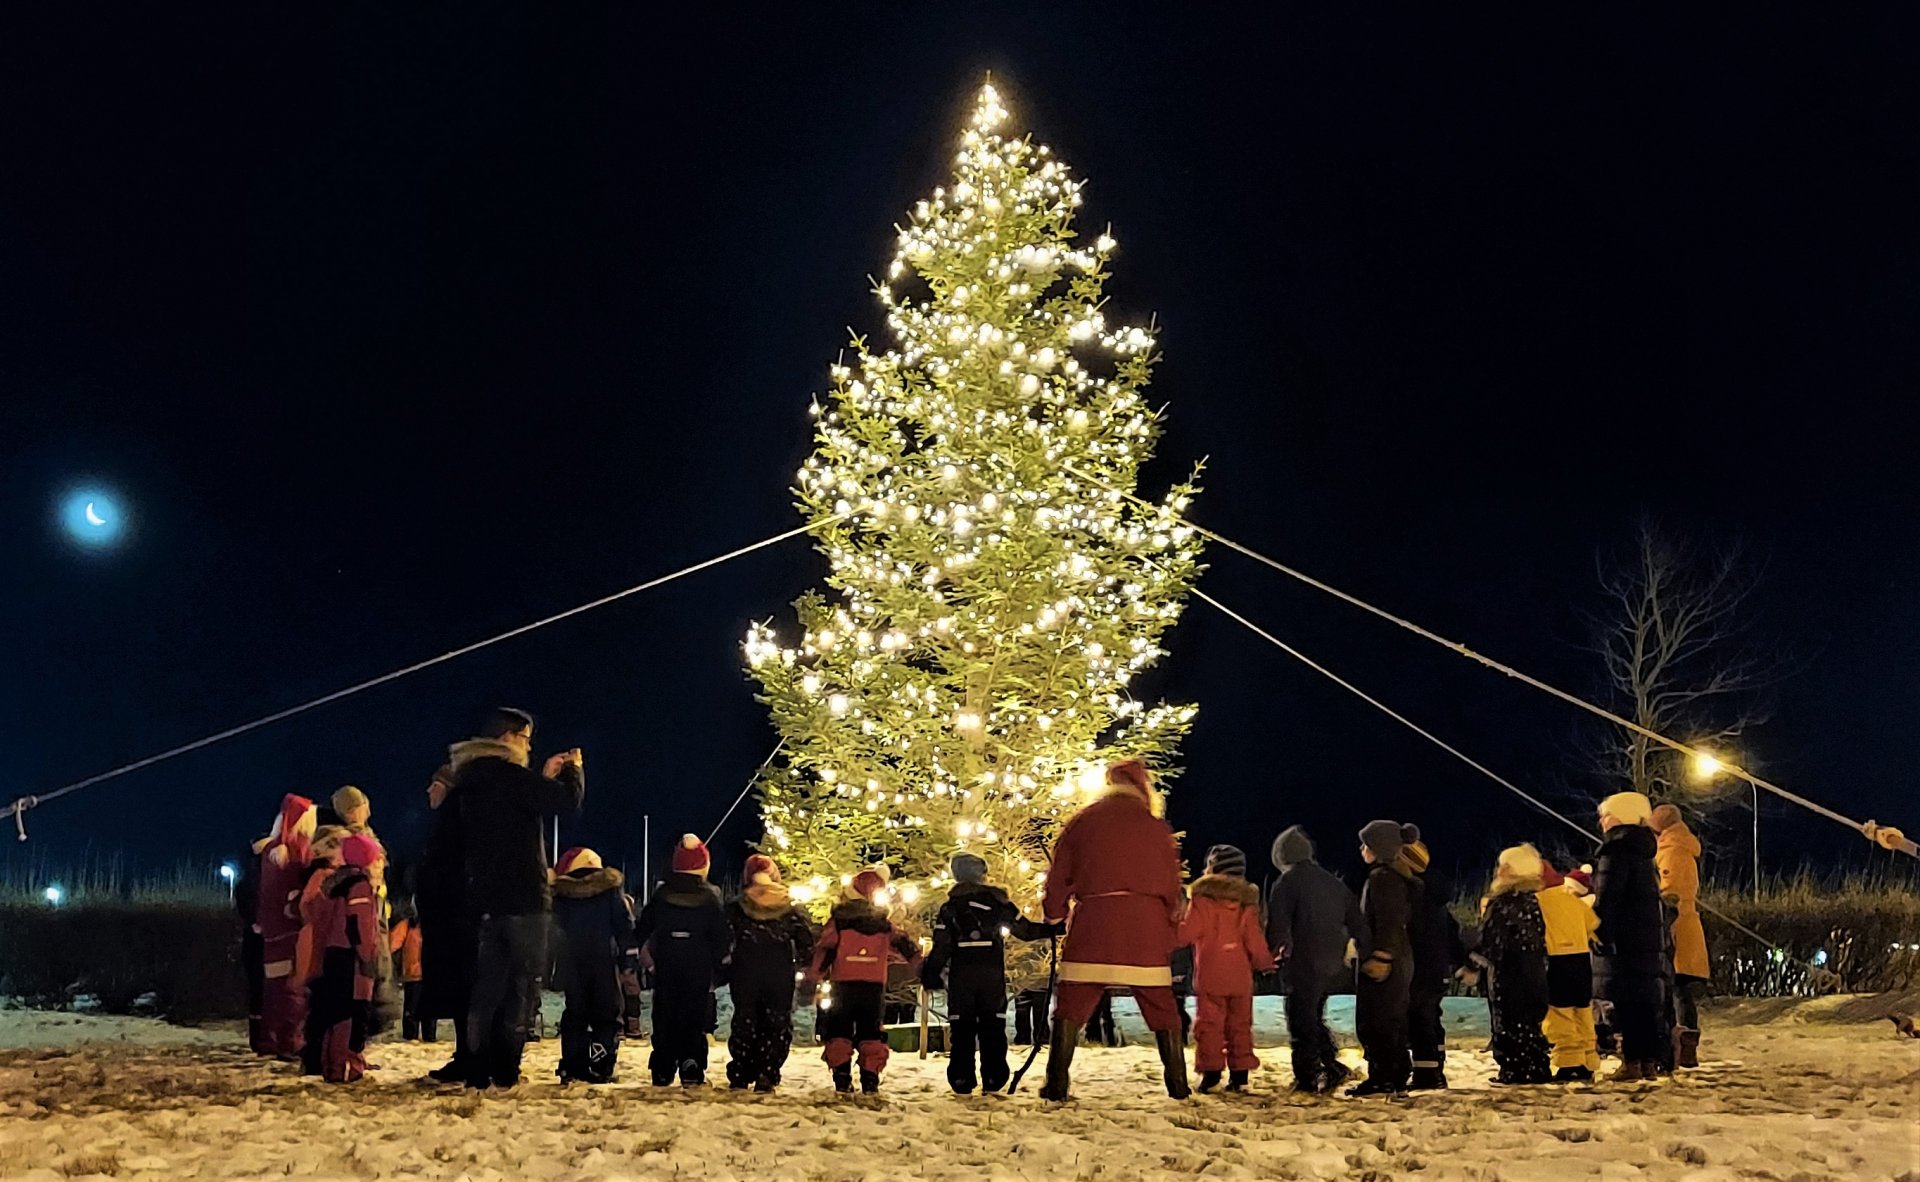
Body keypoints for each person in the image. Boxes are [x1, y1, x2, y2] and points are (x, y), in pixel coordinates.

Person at [1039, 760, 1189, 1102]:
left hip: (1095, 920)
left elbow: (1059, 873)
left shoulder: (1082, 822)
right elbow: (1170, 884)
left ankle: (1057, 1083)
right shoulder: (1154, 828)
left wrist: (1054, 914)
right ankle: (1178, 1085)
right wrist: (1169, 923)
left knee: (1071, 1005)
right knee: (1161, 1006)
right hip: (1144, 926)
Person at [453, 706, 586, 1089]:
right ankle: (506, 1068)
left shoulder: (472, 780)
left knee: (486, 989)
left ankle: (477, 1068)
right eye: (526, 738)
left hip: (485, 899)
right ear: (509, 737)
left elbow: (521, 809)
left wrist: (538, 779)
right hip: (525, 897)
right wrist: (573, 771)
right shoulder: (511, 777)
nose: (529, 746)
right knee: (522, 987)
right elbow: (564, 804)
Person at [921, 852, 1055, 1094]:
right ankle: (994, 1077)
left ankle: (961, 1078)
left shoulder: (950, 908)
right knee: (993, 1026)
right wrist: (1055, 929)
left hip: (962, 977)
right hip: (991, 975)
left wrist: (931, 973)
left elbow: (942, 946)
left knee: (962, 1029)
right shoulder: (998, 903)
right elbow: (1024, 930)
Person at [1267, 825, 1368, 1094]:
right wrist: (1360, 947)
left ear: (1282, 856)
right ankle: (1331, 1065)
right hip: (1331, 963)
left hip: (1302, 961)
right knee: (1312, 1016)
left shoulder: (1286, 883)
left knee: (1301, 1019)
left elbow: (1277, 927)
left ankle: (1307, 1076)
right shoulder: (1333, 883)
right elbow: (1357, 921)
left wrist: (1268, 955)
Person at [808, 867, 923, 1093]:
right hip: (873, 986)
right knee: (871, 1032)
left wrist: (813, 977)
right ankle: (870, 1078)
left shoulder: (839, 921)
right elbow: (905, 946)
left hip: (844, 984)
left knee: (839, 1029)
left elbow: (825, 950)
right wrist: (922, 966)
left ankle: (842, 1076)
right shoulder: (883, 924)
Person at [1178, 844, 1277, 1093]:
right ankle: (1240, 1074)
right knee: (1240, 1024)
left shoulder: (1203, 901)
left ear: (1212, 869)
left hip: (1211, 973)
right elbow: (1253, 937)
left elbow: (1187, 933)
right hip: (1240, 975)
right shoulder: (1247, 903)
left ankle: (1211, 1074)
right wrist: (1264, 962)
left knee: (1209, 1024)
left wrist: (1168, 934)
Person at [635, 834, 729, 1086]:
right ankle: (692, 1064)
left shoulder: (662, 895)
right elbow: (720, 935)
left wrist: (639, 953)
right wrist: (722, 965)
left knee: (665, 1014)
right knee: (694, 1016)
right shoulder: (710, 899)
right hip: (698, 967)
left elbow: (643, 927)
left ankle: (663, 1065)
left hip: (665, 965)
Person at [1592, 791, 1669, 1082]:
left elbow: (1609, 897)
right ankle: (1647, 1061)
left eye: (1606, 814)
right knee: (1644, 1000)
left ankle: (1632, 1062)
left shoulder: (1616, 850)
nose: (1602, 821)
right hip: (1646, 938)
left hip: (1623, 938)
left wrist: (1599, 929)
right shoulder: (1644, 852)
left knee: (1627, 1001)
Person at [725, 854, 815, 1092]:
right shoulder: (788, 907)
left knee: (746, 1020)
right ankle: (768, 1071)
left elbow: (722, 936)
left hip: (745, 972)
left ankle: (741, 1072)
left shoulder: (738, 907)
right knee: (777, 1023)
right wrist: (807, 964)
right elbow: (806, 940)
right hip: (779, 974)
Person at [1467, 844, 1552, 1085]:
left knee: (1509, 1025)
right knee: (1530, 1025)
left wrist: (1473, 964)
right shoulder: (1532, 902)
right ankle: (1535, 1066)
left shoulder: (1502, 904)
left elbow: (1490, 941)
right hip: (1534, 974)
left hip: (1509, 976)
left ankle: (1515, 1069)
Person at [301, 834, 384, 1083]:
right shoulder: (359, 886)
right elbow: (362, 924)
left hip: (331, 954)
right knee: (350, 1014)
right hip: (351, 958)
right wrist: (368, 955)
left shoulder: (332, 884)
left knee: (333, 1012)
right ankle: (345, 1067)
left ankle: (330, 1065)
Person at [550, 846, 635, 1083]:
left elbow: (552, 932)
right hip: (604, 963)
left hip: (572, 963)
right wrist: (628, 961)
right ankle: (601, 1063)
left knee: (575, 1013)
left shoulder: (562, 896)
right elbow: (624, 926)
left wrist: (549, 968)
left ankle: (572, 1064)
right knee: (608, 1014)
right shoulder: (610, 891)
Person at [416, 764, 475, 1080]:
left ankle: (469, 1054)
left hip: (454, 925)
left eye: (435, 784)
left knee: (463, 991)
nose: (429, 790)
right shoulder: (449, 823)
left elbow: (447, 874)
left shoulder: (454, 825)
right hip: (447, 923)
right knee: (459, 993)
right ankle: (465, 1052)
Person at [1351, 819, 1416, 1096]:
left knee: (1377, 1019)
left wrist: (1381, 956)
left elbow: (1390, 920)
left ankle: (1384, 1075)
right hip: (1398, 958)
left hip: (1387, 961)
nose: (1362, 849)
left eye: (1366, 844)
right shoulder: (1395, 878)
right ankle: (1394, 1072)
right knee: (1390, 1018)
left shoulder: (1383, 879)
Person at [1399, 826, 1464, 1090]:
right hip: (1437, 967)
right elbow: (1452, 930)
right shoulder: (1437, 897)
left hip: (1421, 965)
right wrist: (1459, 959)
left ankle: (1427, 1073)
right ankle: (1436, 1065)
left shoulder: (1417, 895)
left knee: (1420, 1018)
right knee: (1431, 1017)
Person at [254, 794, 317, 1060]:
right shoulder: (299, 848)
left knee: (274, 987)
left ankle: (270, 1038)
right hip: (293, 927)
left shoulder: (270, 851)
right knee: (294, 987)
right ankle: (291, 1040)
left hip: (271, 930)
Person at [1651, 803, 1709, 1068]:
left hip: (1676, 926)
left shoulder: (1672, 852)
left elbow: (1670, 891)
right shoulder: (1680, 848)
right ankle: (1684, 1046)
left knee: (1678, 988)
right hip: (1684, 924)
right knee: (1679, 988)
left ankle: (1683, 1046)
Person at [1538, 860, 1602, 1080]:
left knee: (1560, 1014)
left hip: (1557, 961)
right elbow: (1592, 924)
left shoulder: (1539, 901)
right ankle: (1588, 1059)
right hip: (1582, 961)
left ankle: (1569, 1063)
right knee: (1582, 1011)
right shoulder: (1572, 900)